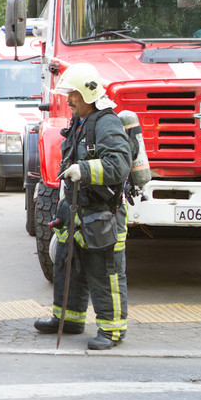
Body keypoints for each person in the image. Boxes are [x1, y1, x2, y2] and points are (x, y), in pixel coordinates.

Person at [34, 63, 131, 350]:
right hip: (75, 210)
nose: (68, 99)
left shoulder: (107, 123)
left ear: (88, 93)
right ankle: (69, 320)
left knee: (104, 273)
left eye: (72, 94)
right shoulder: (80, 121)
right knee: (68, 266)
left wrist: (84, 170)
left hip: (102, 213)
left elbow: (119, 165)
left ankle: (112, 331)